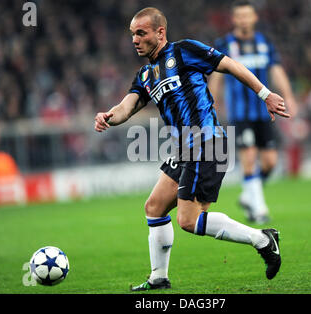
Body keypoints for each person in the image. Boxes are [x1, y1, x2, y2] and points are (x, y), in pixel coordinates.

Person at [94, 7, 290, 291]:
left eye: (141, 33)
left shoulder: (184, 51)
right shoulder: (146, 75)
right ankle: (158, 279)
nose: (135, 39)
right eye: (132, 34)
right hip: (184, 148)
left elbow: (231, 65)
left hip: (206, 141)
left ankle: (262, 239)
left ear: (160, 32)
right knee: (154, 207)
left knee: (188, 219)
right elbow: (127, 106)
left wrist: (265, 94)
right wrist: (108, 116)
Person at [209, 0, 298, 224]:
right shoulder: (225, 44)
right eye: (239, 16)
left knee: (269, 162)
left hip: (264, 112)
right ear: (234, 19)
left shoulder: (264, 42)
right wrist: (212, 102)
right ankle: (259, 209)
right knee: (249, 157)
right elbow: (217, 76)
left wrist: (288, 96)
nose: (244, 20)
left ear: (254, 18)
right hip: (240, 114)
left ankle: (249, 195)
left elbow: (276, 70)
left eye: (247, 16)